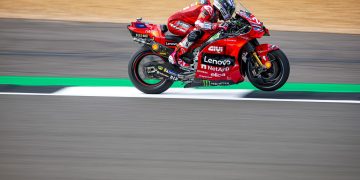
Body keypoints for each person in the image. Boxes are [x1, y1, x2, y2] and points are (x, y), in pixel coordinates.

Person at [168, 0, 236, 66]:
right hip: (174, 22)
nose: (230, 12)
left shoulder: (214, 15)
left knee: (207, 33)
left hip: (185, 23)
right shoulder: (208, 8)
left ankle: (193, 55)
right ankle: (174, 56)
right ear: (223, 7)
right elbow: (198, 23)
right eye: (230, 10)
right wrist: (217, 25)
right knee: (196, 32)